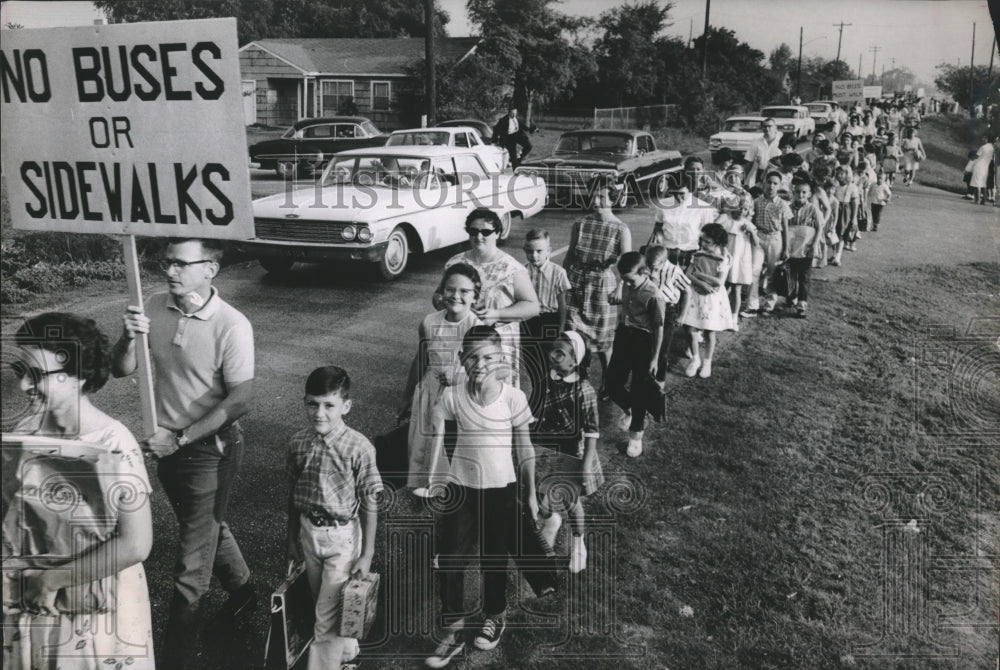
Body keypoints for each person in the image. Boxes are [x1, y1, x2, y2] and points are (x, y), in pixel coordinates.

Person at [112, 237, 255, 666]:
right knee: (206, 525)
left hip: (209, 450)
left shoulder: (232, 324)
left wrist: (178, 438)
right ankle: (246, 591)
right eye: (166, 263)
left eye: (180, 264)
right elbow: (122, 368)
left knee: (191, 567)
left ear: (210, 269)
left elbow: (240, 400)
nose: (170, 271)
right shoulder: (153, 305)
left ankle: (174, 656)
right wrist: (127, 336)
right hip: (168, 450)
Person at [4, 313, 155, 670]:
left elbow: (136, 544)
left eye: (37, 375)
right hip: (33, 600)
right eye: (20, 372)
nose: (24, 386)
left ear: (79, 376)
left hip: (94, 606)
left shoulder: (114, 443)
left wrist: (53, 579)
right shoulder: (25, 433)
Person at [425, 325, 545, 668]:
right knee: (450, 559)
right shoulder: (451, 396)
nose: (481, 363)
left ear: (502, 359)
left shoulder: (513, 397)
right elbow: (435, 441)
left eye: (489, 356)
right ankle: (452, 630)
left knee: (494, 557)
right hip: (461, 491)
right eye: (473, 356)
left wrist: (531, 494)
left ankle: (495, 614)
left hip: (501, 489)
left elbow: (525, 450)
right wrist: (433, 481)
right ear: (462, 358)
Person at [286, 366, 382, 670]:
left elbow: (369, 501)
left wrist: (367, 554)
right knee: (323, 604)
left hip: (342, 538)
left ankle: (326, 664)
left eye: (329, 405)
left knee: (325, 620)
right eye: (312, 403)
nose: (320, 413)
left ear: (346, 406)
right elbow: (293, 496)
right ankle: (346, 655)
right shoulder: (298, 444)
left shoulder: (359, 447)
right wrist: (291, 540)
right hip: (308, 534)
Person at [402, 263, 482, 495]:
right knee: (423, 440)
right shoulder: (429, 322)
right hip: (430, 390)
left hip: (461, 395)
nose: (455, 296)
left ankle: (454, 488)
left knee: (453, 444)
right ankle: (424, 486)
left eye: (464, 291)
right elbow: (421, 359)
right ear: (442, 290)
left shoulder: (477, 327)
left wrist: (459, 377)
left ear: (475, 296)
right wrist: (406, 397)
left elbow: (483, 370)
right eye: (450, 289)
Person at [438, 208, 540, 388]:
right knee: (458, 398)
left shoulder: (511, 268)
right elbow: (439, 295)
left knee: (492, 399)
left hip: (496, 346)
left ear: (498, 233)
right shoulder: (454, 262)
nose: (479, 236)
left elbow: (533, 306)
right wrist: (446, 303)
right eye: (473, 231)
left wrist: (497, 314)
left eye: (486, 231)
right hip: (461, 341)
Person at [533, 330, 603, 574]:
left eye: (559, 353)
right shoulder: (547, 380)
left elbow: (593, 431)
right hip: (545, 448)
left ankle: (578, 542)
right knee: (540, 491)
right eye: (552, 350)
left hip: (572, 453)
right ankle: (550, 519)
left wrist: (584, 465)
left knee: (571, 501)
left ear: (575, 361)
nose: (552, 355)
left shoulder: (584, 391)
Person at [564, 178, 632, 390]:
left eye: (602, 197)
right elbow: (569, 257)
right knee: (573, 335)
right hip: (577, 284)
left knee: (603, 342)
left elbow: (627, 264)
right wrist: (563, 284)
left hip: (603, 288)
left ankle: (608, 382)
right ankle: (578, 381)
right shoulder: (580, 223)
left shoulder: (621, 229)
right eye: (594, 195)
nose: (596, 200)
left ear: (612, 200)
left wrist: (620, 288)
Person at [605, 251, 666, 457]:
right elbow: (625, 305)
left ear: (643, 272)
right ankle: (632, 410)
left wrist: (655, 358)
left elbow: (659, 328)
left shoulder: (653, 295)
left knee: (639, 389)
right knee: (612, 382)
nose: (627, 284)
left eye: (630, 280)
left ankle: (635, 437)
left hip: (644, 341)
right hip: (624, 336)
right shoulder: (627, 285)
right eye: (624, 280)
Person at [521, 228, 572, 416]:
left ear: (549, 251)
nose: (533, 255)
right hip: (528, 323)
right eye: (529, 251)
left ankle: (544, 408)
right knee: (533, 368)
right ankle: (541, 405)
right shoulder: (522, 272)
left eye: (539, 251)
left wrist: (561, 331)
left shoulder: (558, 272)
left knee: (551, 368)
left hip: (550, 322)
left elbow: (563, 305)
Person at [677, 223, 734, 378]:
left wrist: (699, 275)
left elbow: (718, 282)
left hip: (712, 297)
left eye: (707, 242)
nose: (703, 244)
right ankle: (695, 359)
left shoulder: (724, 257)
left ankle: (707, 362)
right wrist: (700, 282)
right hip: (696, 293)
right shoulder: (698, 254)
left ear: (717, 242)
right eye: (702, 240)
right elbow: (688, 274)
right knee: (690, 328)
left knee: (709, 330)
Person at [649, 156, 720, 269]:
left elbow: (707, 235)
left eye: (682, 194)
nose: (678, 197)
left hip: (691, 253)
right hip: (666, 252)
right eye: (674, 193)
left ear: (690, 189)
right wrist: (659, 238)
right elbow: (657, 227)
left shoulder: (703, 208)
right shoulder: (663, 205)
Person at [644, 244, 690, 376]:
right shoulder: (647, 266)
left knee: (662, 349)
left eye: (654, 268)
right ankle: (646, 378)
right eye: (649, 266)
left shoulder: (674, 271)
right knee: (648, 346)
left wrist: (682, 315)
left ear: (664, 262)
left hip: (667, 310)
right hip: (649, 308)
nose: (652, 271)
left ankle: (660, 382)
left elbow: (687, 292)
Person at [751, 171, 791, 316]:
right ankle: (752, 303)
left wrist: (786, 248)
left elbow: (785, 228)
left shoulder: (783, 204)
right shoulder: (756, 202)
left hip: (775, 238)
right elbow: (751, 220)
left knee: (772, 273)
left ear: (779, 186)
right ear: (763, 183)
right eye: (769, 182)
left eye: (775, 183)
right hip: (759, 236)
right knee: (754, 270)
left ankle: (769, 303)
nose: (771, 186)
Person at [716, 191, 757, 329]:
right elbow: (714, 232)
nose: (741, 211)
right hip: (726, 258)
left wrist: (751, 232)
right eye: (738, 207)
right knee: (720, 288)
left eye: (745, 208)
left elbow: (756, 243)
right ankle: (718, 316)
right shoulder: (726, 220)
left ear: (749, 211)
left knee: (736, 290)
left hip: (740, 261)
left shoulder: (747, 224)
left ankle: (733, 319)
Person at [785, 179, 824, 318]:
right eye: (797, 192)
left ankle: (802, 304)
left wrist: (814, 245)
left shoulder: (813, 209)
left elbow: (820, 227)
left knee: (804, 276)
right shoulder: (787, 207)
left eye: (804, 192)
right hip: (791, 247)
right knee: (790, 274)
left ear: (809, 194)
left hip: (806, 247)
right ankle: (791, 296)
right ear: (793, 192)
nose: (800, 195)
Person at [831, 166, 860, 264]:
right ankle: (834, 254)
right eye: (838, 173)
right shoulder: (834, 185)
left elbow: (855, 204)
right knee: (833, 232)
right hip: (834, 210)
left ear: (847, 175)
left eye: (842, 174)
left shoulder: (852, 187)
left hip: (845, 212)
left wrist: (854, 218)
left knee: (841, 234)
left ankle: (838, 256)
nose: (839, 176)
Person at [743, 118, 782, 187]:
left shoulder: (781, 142)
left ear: (775, 128)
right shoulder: (756, 142)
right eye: (764, 126)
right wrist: (746, 180)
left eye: (769, 126)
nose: (767, 128)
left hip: (777, 174)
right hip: (759, 175)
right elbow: (748, 162)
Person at [969, 137, 995, 205]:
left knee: (976, 183)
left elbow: (976, 156)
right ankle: (983, 200)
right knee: (983, 184)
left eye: (984, 138)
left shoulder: (983, 147)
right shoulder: (992, 149)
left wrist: (972, 158)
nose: (982, 139)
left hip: (978, 166)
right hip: (985, 168)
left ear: (987, 139)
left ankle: (976, 200)